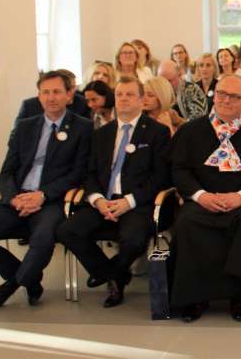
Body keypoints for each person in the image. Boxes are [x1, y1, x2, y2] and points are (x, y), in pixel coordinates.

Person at [0, 70, 93, 310]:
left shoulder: (83, 128)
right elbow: (7, 171)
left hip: (52, 200)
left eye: (57, 92)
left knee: (42, 240)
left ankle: (9, 287)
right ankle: (29, 279)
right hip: (17, 198)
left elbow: (78, 174)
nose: (51, 97)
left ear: (69, 95)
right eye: (45, 92)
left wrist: (42, 195)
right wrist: (13, 198)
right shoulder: (25, 127)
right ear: (39, 96)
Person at [169, 74, 241, 323]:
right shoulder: (191, 130)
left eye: (234, 96)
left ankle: (237, 296)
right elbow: (179, 170)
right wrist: (201, 196)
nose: (226, 100)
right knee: (187, 223)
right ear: (214, 95)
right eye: (221, 94)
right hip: (202, 200)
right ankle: (196, 298)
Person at [56, 76, 171, 308]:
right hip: (103, 202)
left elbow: (160, 177)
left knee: (134, 240)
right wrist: (98, 200)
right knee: (67, 231)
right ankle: (113, 274)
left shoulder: (157, 132)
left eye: (130, 94)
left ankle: (112, 275)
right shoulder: (101, 134)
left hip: (136, 204)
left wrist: (128, 202)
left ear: (141, 100)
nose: (123, 99)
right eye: (119, 94)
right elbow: (89, 173)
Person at [17, 69, 91, 123]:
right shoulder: (29, 106)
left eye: (73, 87)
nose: (72, 91)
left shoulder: (82, 103)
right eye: (69, 88)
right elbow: (17, 134)